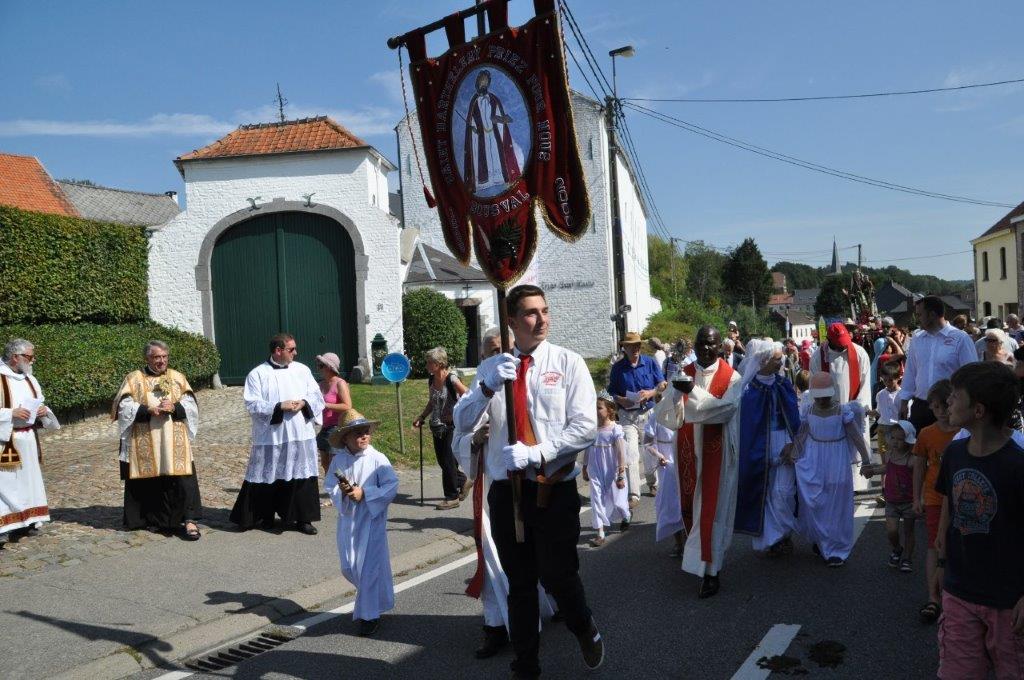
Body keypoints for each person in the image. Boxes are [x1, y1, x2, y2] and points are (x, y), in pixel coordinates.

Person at [453, 284, 603, 678]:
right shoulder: (493, 367)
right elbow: (463, 421)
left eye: (545, 310)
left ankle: (582, 624)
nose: (542, 320)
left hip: (553, 487)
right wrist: (485, 387)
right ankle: (526, 665)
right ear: (512, 321)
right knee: (519, 584)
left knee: (558, 574)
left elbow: (586, 427)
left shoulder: (568, 362)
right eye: (532, 313)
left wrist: (538, 452)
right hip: (508, 491)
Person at [454, 327, 556, 660]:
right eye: (487, 351)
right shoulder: (483, 378)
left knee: (532, 558)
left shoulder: (528, 376)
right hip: (492, 489)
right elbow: (462, 427)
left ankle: (548, 606)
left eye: (500, 348)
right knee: (493, 559)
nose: (494, 355)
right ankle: (495, 627)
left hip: (529, 483)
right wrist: (474, 439)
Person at [933, 362, 1024, 679]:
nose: (948, 403)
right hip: (960, 591)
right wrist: (941, 563)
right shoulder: (955, 453)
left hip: (1009, 601)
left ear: (979, 410)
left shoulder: (1017, 464)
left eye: (955, 397)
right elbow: (949, 505)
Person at [654, 325, 742, 598]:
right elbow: (665, 414)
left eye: (712, 344)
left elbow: (723, 411)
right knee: (693, 507)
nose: (706, 348)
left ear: (720, 347)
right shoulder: (685, 373)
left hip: (719, 454)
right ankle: (700, 563)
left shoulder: (732, 378)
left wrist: (691, 392)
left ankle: (710, 571)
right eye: (701, 343)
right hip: (689, 451)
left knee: (712, 512)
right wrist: (675, 395)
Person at [230, 333, 325, 534]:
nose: (296, 353)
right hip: (272, 435)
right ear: (278, 351)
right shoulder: (257, 374)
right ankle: (265, 516)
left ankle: (302, 519)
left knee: (302, 475)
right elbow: (252, 403)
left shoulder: (302, 370)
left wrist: (304, 403)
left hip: (300, 432)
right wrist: (278, 406)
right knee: (269, 475)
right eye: (291, 350)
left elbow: (316, 395)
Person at [112, 340, 202, 539]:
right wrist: (147, 409)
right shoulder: (134, 378)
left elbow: (191, 405)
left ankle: (189, 520)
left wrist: (176, 407)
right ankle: (155, 520)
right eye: (156, 357)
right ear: (147, 358)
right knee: (151, 480)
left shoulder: (177, 377)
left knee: (182, 478)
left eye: (164, 357)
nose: (161, 361)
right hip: (146, 436)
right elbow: (123, 406)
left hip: (174, 436)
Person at [325, 409, 399, 637]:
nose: (363, 437)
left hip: (371, 522)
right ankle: (374, 599)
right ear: (345, 437)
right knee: (349, 567)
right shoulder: (339, 459)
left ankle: (369, 616)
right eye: (357, 433)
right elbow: (330, 485)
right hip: (348, 523)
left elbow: (391, 485)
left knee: (368, 569)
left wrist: (365, 493)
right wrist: (343, 492)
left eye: (365, 432)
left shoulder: (377, 459)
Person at [791, 373, 872, 567]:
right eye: (819, 396)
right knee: (817, 501)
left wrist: (867, 460)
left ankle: (837, 549)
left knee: (837, 503)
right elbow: (802, 435)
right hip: (814, 459)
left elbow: (856, 436)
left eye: (825, 396)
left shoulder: (842, 411)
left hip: (837, 459)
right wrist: (794, 453)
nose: (822, 400)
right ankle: (822, 539)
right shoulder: (808, 410)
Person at [735, 340, 801, 557]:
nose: (780, 361)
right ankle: (776, 540)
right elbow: (746, 427)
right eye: (776, 358)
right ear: (763, 360)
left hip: (784, 441)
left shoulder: (783, 384)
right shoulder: (748, 391)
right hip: (760, 445)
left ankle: (785, 532)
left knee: (784, 491)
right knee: (765, 493)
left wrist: (794, 443)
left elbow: (794, 417)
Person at [0, 339, 59, 548]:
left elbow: (39, 401)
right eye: (29, 357)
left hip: (28, 438)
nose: (33, 360)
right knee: (7, 484)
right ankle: (5, 527)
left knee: (29, 481)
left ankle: (28, 520)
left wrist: (43, 410)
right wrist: (10, 413)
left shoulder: (30, 379)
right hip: (7, 440)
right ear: (15, 357)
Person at [911, 380, 957, 624]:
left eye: (944, 405)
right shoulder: (927, 433)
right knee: (933, 545)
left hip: (960, 499)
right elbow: (919, 466)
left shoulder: (963, 434)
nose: (940, 411)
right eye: (935, 407)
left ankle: (953, 597)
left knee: (955, 547)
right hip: (933, 498)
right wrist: (916, 496)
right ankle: (933, 597)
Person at [898, 296, 977, 435]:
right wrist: (904, 402)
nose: (918, 319)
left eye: (920, 314)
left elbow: (971, 375)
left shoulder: (960, 338)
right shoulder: (917, 338)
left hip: (949, 407)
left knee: (949, 451)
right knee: (920, 452)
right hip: (921, 406)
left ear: (932, 314)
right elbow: (910, 372)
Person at [607, 331, 666, 505]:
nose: (636, 349)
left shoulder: (649, 362)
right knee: (630, 453)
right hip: (627, 416)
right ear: (624, 347)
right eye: (632, 346)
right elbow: (611, 391)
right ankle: (634, 494)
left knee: (649, 452)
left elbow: (662, 384)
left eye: (638, 345)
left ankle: (652, 482)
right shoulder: (618, 368)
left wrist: (651, 392)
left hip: (648, 414)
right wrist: (620, 399)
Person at [413, 347, 468, 510]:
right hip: (436, 426)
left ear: (439, 363)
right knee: (443, 462)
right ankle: (462, 480)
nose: (427, 365)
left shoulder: (452, 379)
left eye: (430, 362)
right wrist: (422, 417)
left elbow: (469, 396)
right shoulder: (432, 380)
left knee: (449, 461)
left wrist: (455, 413)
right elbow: (432, 402)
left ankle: (451, 497)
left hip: (452, 427)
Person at [810, 322, 872, 452]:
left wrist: (860, 408)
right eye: (839, 343)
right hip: (830, 414)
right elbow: (815, 387)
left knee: (855, 456)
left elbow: (865, 383)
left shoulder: (859, 353)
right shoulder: (818, 357)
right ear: (829, 340)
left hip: (853, 411)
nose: (843, 346)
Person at [864, 420, 917, 572]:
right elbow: (886, 468)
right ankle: (897, 548)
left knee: (909, 531)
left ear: (908, 441)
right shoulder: (888, 454)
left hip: (908, 500)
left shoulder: (912, 459)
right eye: (893, 438)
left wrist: (920, 498)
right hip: (892, 500)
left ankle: (907, 558)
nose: (895, 442)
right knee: (891, 531)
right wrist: (873, 471)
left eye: (900, 439)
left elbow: (920, 477)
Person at [463, 69, 521, 195]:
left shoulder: (494, 99)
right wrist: (473, 129)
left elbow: (501, 115)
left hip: (494, 134)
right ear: (477, 83)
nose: (483, 84)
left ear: (488, 83)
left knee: (496, 155)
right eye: (481, 81)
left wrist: (499, 119)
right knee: (484, 157)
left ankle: (499, 178)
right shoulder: (474, 101)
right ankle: (484, 182)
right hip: (480, 136)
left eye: (485, 81)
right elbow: (471, 120)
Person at [582, 393, 629, 547]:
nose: (596, 411)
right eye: (595, 407)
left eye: (599, 408)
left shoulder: (616, 428)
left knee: (617, 500)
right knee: (596, 498)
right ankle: (600, 533)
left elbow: (621, 451)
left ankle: (626, 514)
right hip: (595, 466)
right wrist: (584, 466)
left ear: (609, 410)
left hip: (611, 466)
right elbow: (588, 449)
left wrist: (621, 472)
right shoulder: (593, 428)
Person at [314, 352, 351, 473]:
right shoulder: (320, 384)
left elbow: (347, 406)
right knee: (325, 464)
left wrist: (325, 405)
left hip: (336, 428)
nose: (318, 368)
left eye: (321, 365)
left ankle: (341, 489)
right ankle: (332, 489)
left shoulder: (340, 383)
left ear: (330, 367)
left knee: (335, 465)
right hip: (324, 428)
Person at [871, 366, 901, 464]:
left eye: (891, 380)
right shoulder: (880, 394)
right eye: (885, 380)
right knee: (884, 459)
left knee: (895, 457)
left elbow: (906, 413)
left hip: (895, 429)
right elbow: (879, 410)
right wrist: (869, 412)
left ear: (898, 378)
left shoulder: (902, 395)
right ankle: (884, 478)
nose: (888, 383)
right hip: (882, 429)